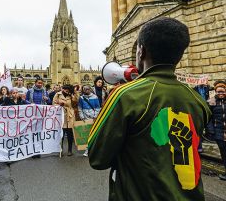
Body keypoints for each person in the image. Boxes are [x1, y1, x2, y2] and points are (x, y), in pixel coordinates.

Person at [88, 17, 211, 200]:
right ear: (179, 54)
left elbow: (97, 157)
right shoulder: (198, 100)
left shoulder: (125, 95)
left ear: (141, 51)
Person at [53, 84, 79, 156]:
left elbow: (75, 103)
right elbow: (54, 104)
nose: (65, 91)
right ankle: (60, 150)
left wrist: (73, 95)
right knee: (61, 134)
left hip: (70, 116)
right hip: (61, 116)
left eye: (67, 90)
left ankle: (70, 150)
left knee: (70, 134)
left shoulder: (71, 95)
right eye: (64, 89)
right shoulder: (57, 95)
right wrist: (59, 105)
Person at [207, 81, 226, 181]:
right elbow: (208, 118)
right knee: (223, 154)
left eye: (222, 91)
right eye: (218, 92)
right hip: (219, 133)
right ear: (215, 92)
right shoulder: (212, 101)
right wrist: (211, 130)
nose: (220, 94)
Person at [78, 85, 101, 157]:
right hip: (85, 119)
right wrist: (82, 117)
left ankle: (91, 150)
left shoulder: (95, 97)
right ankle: (87, 150)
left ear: (90, 89)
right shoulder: (81, 98)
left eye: (87, 89)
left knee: (93, 135)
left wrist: (95, 116)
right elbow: (80, 108)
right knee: (86, 135)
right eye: (84, 89)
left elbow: (98, 107)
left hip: (93, 119)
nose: (86, 90)